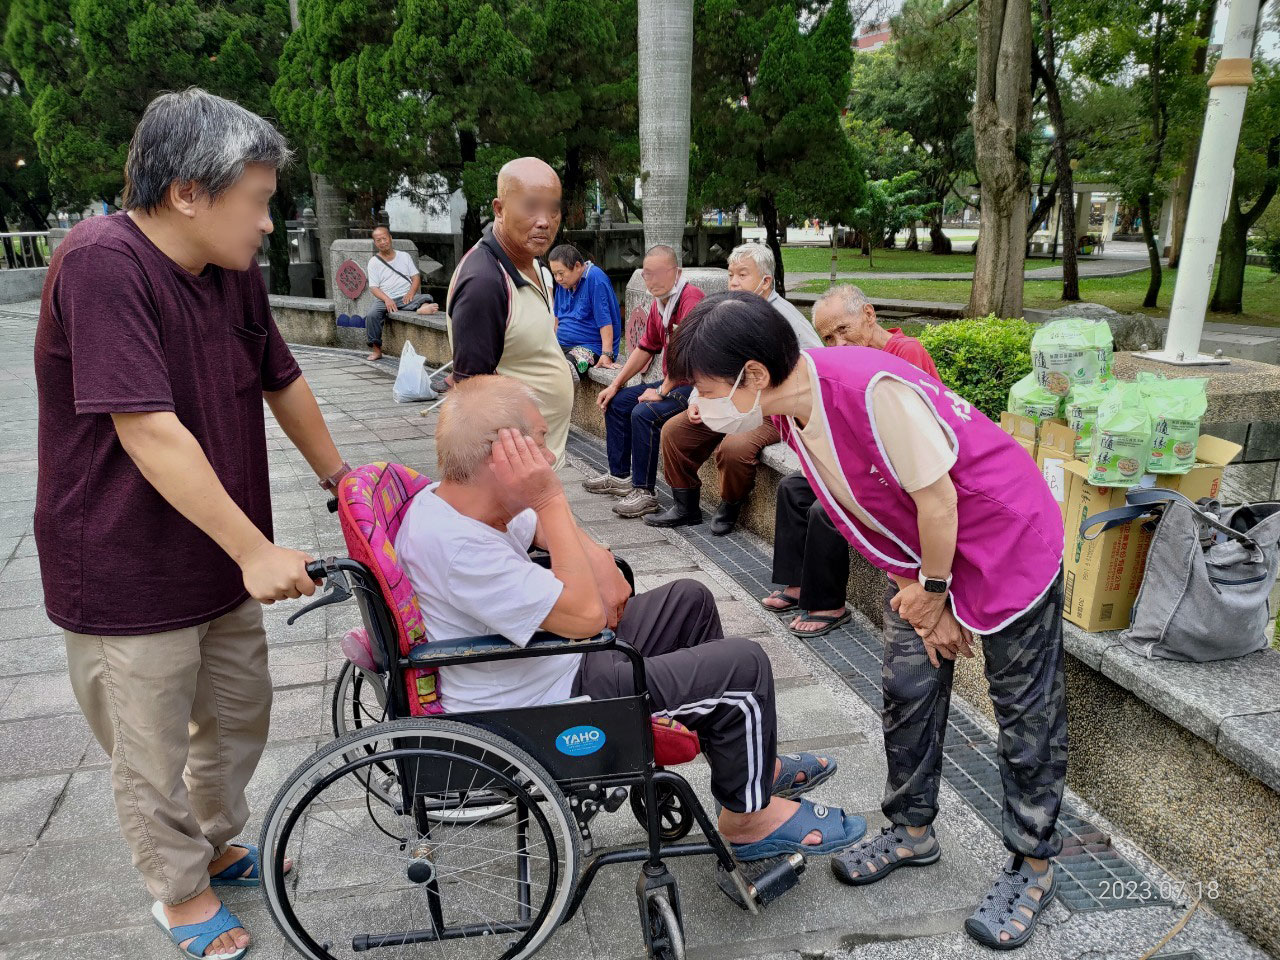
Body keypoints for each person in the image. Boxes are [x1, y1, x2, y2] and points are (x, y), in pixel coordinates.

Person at [34, 89, 350, 960]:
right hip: (123, 561)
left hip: (216, 552)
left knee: (240, 712)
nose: (267, 220)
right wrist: (254, 548)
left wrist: (344, 482)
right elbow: (147, 428)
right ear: (188, 192)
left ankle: (208, 838)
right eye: (256, 198)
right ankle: (177, 890)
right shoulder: (104, 263)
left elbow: (281, 381)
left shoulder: (234, 273)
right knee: (149, 745)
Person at [668, 293, 1068, 952]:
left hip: (1002, 539)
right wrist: (921, 593)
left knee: (1024, 712)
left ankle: (1034, 863)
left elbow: (939, 501)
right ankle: (912, 830)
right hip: (925, 560)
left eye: (705, 388)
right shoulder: (794, 409)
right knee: (908, 689)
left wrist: (936, 595)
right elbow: (876, 509)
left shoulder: (870, 391)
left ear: (754, 375)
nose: (696, 404)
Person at [395, 374, 867, 861]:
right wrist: (550, 499)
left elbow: (596, 576)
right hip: (540, 704)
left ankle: (752, 767)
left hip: (551, 667)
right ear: (504, 455)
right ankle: (748, 821)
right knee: (743, 667)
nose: (550, 455)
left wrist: (590, 556)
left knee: (691, 600)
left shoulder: (465, 500)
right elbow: (584, 617)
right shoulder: (460, 549)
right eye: (539, 440)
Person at [762, 285, 940, 638]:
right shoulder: (849, 358)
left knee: (827, 510)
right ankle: (796, 584)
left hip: (903, 472)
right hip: (866, 463)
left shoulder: (905, 351)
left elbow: (905, 433)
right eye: (828, 337)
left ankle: (829, 603)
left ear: (869, 315)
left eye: (843, 330)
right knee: (793, 488)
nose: (838, 343)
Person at [646, 242, 821, 534]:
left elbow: (817, 364)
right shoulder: (729, 313)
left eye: (743, 275)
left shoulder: (785, 318)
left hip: (773, 408)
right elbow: (705, 363)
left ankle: (729, 505)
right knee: (674, 431)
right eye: (731, 275)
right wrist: (696, 399)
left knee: (734, 447)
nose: (734, 282)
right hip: (727, 397)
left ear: (765, 281)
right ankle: (685, 505)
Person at [447, 157, 574, 467]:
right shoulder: (484, 283)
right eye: (531, 207)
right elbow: (472, 396)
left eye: (553, 209)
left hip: (539, 457)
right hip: (511, 468)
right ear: (499, 209)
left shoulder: (537, 267)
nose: (545, 220)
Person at [582, 245, 705, 518]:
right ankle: (620, 476)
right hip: (672, 380)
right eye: (648, 273)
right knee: (617, 401)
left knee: (644, 413)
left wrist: (660, 391)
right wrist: (615, 384)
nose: (653, 280)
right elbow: (646, 347)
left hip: (696, 386)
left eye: (661, 272)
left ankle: (645, 492)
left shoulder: (690, 299)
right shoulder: (660, 303)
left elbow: (689, 357)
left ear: (678, 272)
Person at [364, 225, 437, 361]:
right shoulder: (373, 262)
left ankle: (421, 308)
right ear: (375, 243)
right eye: (378, 240)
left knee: (426, 297)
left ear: (390, 238)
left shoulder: (404, 256)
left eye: (384, 238)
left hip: (405, 297)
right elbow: (374, 288)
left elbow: (415, 277)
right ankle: (377, 350)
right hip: (385, 299)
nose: (382, 242)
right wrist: (386, 299)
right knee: (372, 315)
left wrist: (410, 293)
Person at [548, 243, 622, 376]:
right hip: (562, 345)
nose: (558, 279)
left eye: (561, 273)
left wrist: (607, 354)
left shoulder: (595, 279)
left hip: (589, 347)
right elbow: (557, 318)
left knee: (562, 373)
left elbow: (605, 321)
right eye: (554, 274)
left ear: (577, 266)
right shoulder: (564, 282)